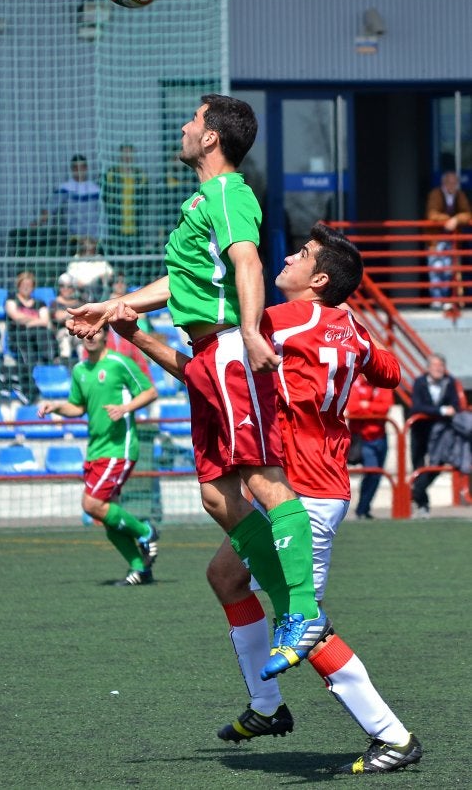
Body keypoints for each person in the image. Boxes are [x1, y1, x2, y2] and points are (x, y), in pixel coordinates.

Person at [109, 222, 422, 775]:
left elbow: (203, 372)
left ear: (318, 279)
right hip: (311, 483)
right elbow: (393, 373)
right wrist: (351, 343)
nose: (286, 259)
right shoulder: (349, 325)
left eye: (301, 255)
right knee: (226, 577)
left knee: (305, 624)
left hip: (298, 494)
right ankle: (266, 706)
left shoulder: (272, 323)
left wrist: (134, 325)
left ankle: (392, 735)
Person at [67, 94, 334, 679]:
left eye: (192, 121)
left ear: (211, 138)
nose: (185, 128)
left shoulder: (228, 191)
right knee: (218, 497)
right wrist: (115, 305)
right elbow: (183, 279)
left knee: (265, 480)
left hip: (231, 350)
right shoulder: (202, 199)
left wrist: (250, 332)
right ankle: (292, 618)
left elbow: (247, 263)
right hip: (208, 354)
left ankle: (304, 610)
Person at [38, 325, 159, 586]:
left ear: (104, 334)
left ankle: (145, 531)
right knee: (107, 515)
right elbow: (77, 407)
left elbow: (150, 391)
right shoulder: (80, 370)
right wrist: (56, 406)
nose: (90, 337)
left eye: (95, 332)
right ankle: (140, 569)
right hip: (96, 449)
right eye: (85, 333)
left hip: (120, 447)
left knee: (91, 504)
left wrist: (125, 408)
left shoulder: (118, 363)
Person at [410, 352, 461, 518]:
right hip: (420, 430)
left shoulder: (450, 381)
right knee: (417, 466)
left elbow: (455, 406)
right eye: (435, 365)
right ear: (428, 368)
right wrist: (440, 411)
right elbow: (417, 407)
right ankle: (422, 504)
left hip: (441, 433)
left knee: (437, 465)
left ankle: (417, 491)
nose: (438, 369)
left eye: (441, 366)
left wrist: (444, 411)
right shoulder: (419, 382)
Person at [5, 271, 58, 403]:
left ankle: (51, 357)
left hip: (37, 337)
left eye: (29, 285)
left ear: (33, 286)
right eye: (23, 285)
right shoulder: (12, 299)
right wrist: (35, 318)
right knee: (28, 350)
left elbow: (45, 321)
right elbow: (15, 317)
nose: (26, 287)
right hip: (18, 337)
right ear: (18, 285)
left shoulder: (40, 303)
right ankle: (30, 390)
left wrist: (27, 322)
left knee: (43, 332)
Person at [346, 373, 394, 520]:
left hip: (380, 436)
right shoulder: (355, 383)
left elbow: (386, 407)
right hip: (363, 438)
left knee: (376, 475)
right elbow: (352, 407)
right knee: (372, 471)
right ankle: (362, 509)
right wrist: (372, 408)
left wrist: (366, 406)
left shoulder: (383, 384)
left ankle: (364, 508)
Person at [36, 154, 101, 253]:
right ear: (72, 169)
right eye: (76, 167)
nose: (79, 170)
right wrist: (37, 223)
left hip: (95, 239)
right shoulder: (65, 188)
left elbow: (102, 216)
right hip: (74, 239)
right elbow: (49, 210)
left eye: (82, 167)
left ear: (86, 168)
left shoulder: (96, 189)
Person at [425, 171, 471, 309]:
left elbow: (467, 213)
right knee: (436, 268)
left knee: (448, 270)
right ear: (444, 183)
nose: (452, 185)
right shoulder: (435, 194)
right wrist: (449, 220)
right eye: (450, 182)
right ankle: (437, 299)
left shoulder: (459, 195)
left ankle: (444, 299)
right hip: (435, 239)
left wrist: (456, 220)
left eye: (455, 183)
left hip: (451, 239)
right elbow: (432, 214)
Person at [101, 144, 148, 258]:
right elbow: (105, 198)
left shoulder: (140, 176)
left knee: (134, 255)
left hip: (135, 225)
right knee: (117, 255)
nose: (127, 156)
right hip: (116, 225)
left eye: (129, 153)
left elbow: (144, 201)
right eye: (124, 153)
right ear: (120, 155)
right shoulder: (111, 174)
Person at [66, 237, 114, 302]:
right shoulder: (75, 260)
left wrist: (103, 277)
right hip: (80, 291)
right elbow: (70, 277)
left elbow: (110, 273)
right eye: (86, 248)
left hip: (98, 290)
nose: (88, 251)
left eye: (91, 248)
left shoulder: (99, 259)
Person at [49, 273, 83, 366]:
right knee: (66, 335)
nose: (65, 289)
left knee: (81, 339)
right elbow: (58, 317)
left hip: (77, 331)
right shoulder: (55, 303)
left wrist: (66, 315)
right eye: (62, 286)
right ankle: (65, 365)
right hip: (61, 332)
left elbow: (84, 318)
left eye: (69, 286)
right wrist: (75, 314)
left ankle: (83, 364)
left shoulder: (80, 302)